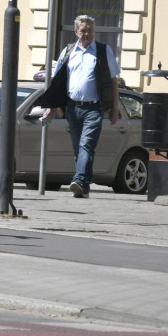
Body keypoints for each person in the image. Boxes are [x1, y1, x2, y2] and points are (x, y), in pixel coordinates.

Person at [39, 14, 120, 198]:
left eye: (90, 30)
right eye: (83, 30)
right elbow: (57, 81)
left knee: (86, 145)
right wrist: (51, 106)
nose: (87, 34)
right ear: (76, 32)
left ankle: (78, 179)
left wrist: (114, 108)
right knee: (79, 149)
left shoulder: (103, 51)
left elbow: (113, 80)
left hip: (94, 108)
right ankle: (84, 186)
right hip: (72, 108)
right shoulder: (68, 52)